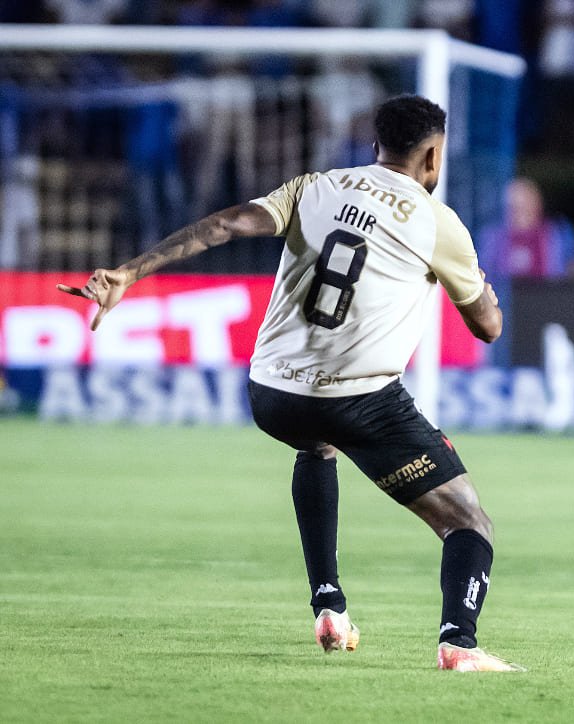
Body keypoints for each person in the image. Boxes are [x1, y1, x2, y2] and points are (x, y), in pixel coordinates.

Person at [57, 95, 523, 672]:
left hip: (272, 395)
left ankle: (328, 603)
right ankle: (460, 643)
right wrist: (483, 296)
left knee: (317, 442)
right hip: (360, 401)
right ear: (433, 156)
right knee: (467, 521)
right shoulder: (437, 222)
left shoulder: (314, 186)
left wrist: (127, 273)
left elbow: (225, 225)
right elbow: (488, 327)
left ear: (375, 145)